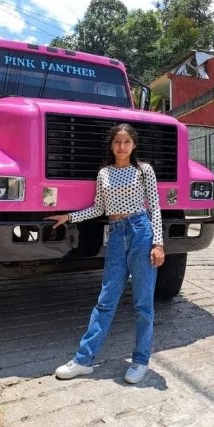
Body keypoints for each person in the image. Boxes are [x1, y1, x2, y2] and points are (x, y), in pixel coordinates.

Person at [46, 123, 165, 384]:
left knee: (143, 303)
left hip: (141, 232)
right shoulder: (104, 173)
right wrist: (69, 216)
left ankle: (141, 360)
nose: (121, 147)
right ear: (111, 145)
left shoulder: (144, 171)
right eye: (116, 142)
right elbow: (98, 208)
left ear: (134, 145)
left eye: (126, 142)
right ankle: (83, 360)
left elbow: (155, 207)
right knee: (105, 300)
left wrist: (158, 243)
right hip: (116, 235)